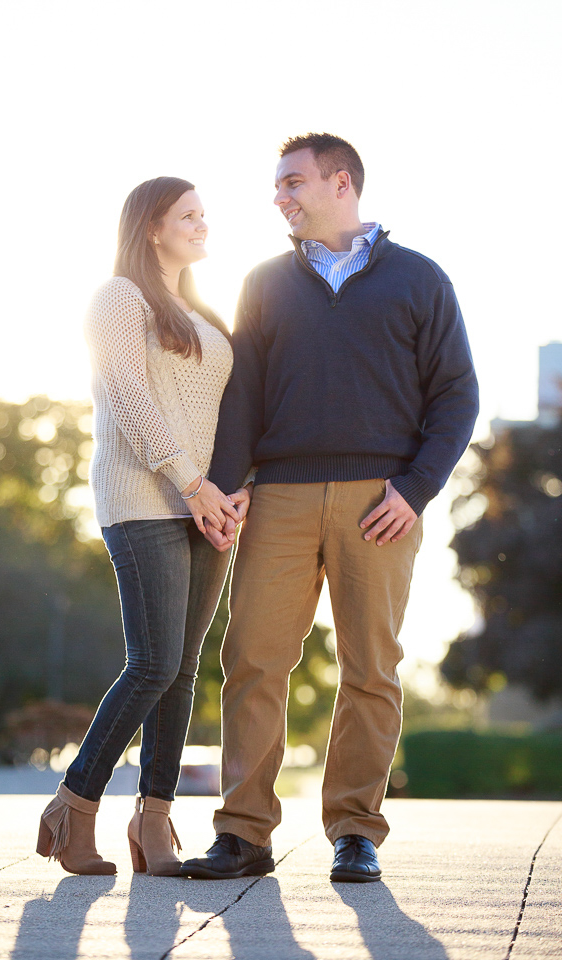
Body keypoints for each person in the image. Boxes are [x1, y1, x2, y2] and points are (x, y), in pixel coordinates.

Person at [180, 133, 479, 883]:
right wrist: (226, 482)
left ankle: (355, 831)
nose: (280, 196)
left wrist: (414, 490)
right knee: (251, 658)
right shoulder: (264, 283)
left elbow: (456, 396)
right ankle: (244, 833)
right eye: (278, 186)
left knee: (370, 665)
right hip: (277, 494)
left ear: (340, 182)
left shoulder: (420, 279)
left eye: (292, 182)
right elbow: (245, 394)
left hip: (380, 502)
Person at [36, 177, 250, 876]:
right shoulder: (118, 298)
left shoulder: (203, 311)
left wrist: (229, 492)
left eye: (203, 214)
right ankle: (73, 806)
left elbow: (226, 412)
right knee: (152, 664)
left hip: (207, 506)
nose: (202, 224)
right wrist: (189, 482)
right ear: (151, 228)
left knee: (182, 671)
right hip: (145, 499)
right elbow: (127, 393)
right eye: (187, 215)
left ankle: (154, 823)